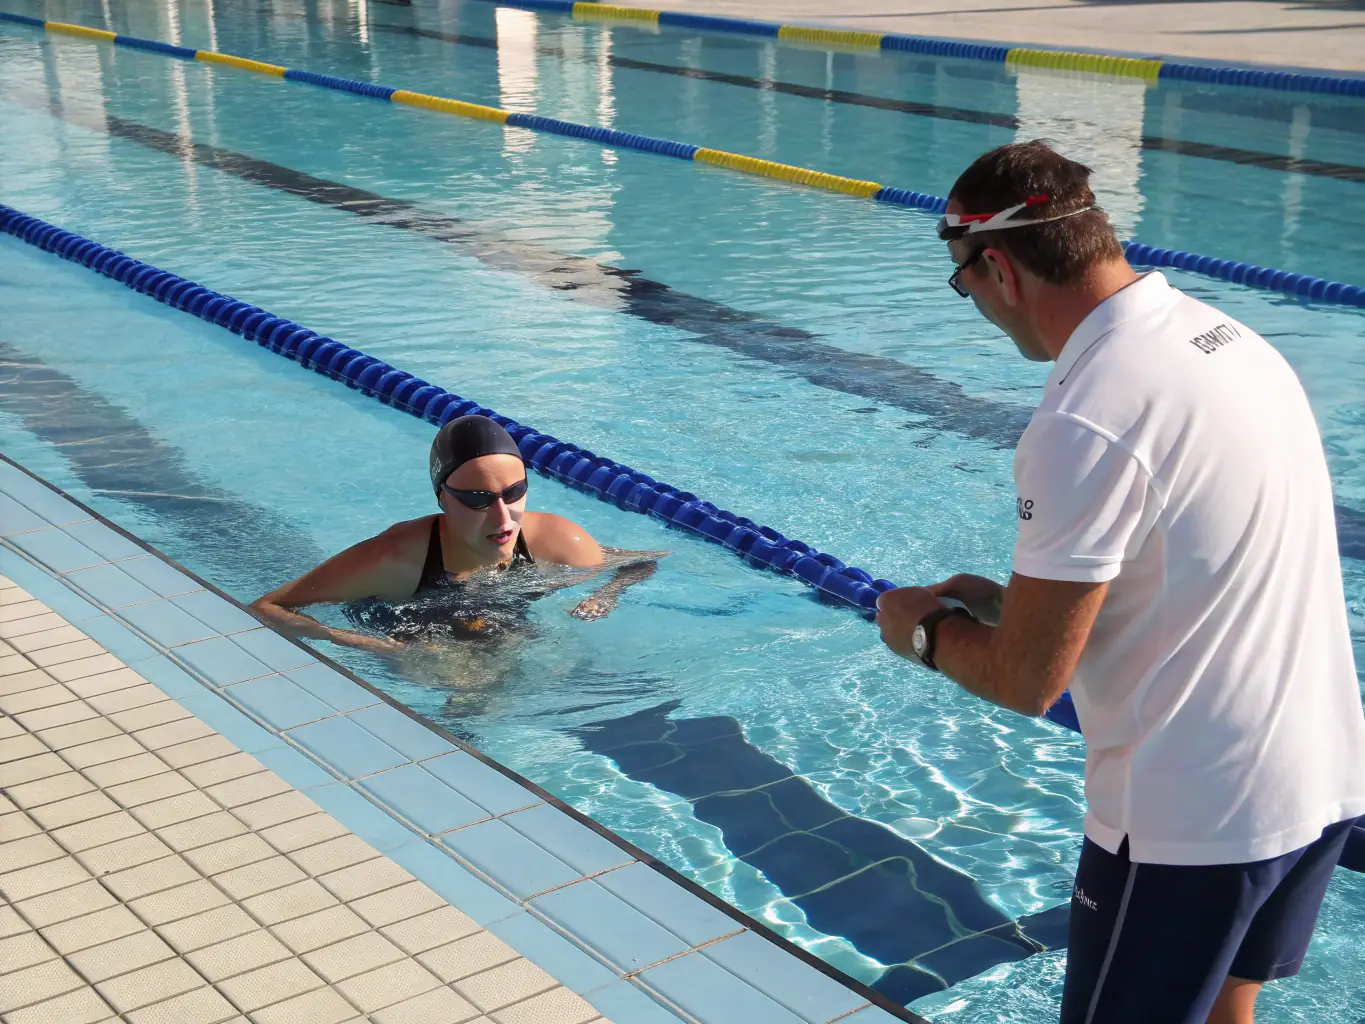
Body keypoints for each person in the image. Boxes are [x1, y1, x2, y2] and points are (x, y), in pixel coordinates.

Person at [874, 141, 1365, 1024]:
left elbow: (1028, 682)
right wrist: (1018, 606)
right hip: (1318, 776)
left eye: (964, 284)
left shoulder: (1086, 415)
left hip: (1188, 820)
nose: (975, 305)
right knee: (1225, 1010)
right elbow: (1201, 563)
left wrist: (925, 632)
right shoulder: (1226, 338)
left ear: (998, 267)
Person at [253, 415, 663, 652]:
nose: (503, 517)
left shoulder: (556, 541)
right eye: (478, 499)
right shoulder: (394, 559)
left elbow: (646, 560)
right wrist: (385, 650)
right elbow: (268, 609)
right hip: (404, 622)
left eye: (514, 493)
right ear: (442, 499)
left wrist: (605, 594)